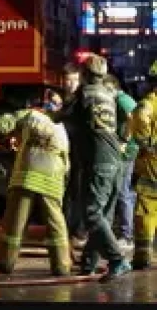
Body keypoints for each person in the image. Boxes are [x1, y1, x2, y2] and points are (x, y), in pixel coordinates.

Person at [63, 54, 131, 280]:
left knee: (91, 213)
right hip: (115, 161)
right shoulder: (109, 94)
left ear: (83, 74)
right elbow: (130, 118)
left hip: (98, 163)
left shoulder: (82, 94)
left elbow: (61, 118)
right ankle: (89, 263)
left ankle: (117, 259)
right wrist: (123, 140)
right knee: (103, 215)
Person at [0, 110, 72, 276]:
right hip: (53, 178)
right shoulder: (61, 132)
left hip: (28, 176)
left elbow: (4, 123)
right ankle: (62, 265)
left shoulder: (31, 115)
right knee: (55, 222)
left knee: (15, 220)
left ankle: (5, 261)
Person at [126, 61, 157, 270]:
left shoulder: (149, 103)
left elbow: (140, 119)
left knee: (147, 208)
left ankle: (143, 257)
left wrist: (146, 143)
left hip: (152, 163)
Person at [105, 75, 138, 249]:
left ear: (112, 87)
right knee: (122, 191)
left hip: (126, 153)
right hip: (128, 152)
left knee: (122, 192)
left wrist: (124, 141)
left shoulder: (121, 100)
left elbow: (132, 119)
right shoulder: (124, 99)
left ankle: (127, 236)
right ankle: (125, 234)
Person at [59, 61, 87, 248]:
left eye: (74, 80)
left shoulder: (81, 100)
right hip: (68, 151)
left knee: (77, 193)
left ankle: (78, 231)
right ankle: (68, 230)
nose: (71, 84)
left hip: (79, 152)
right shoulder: (67, 100)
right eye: (68, 80)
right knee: (68, 192)